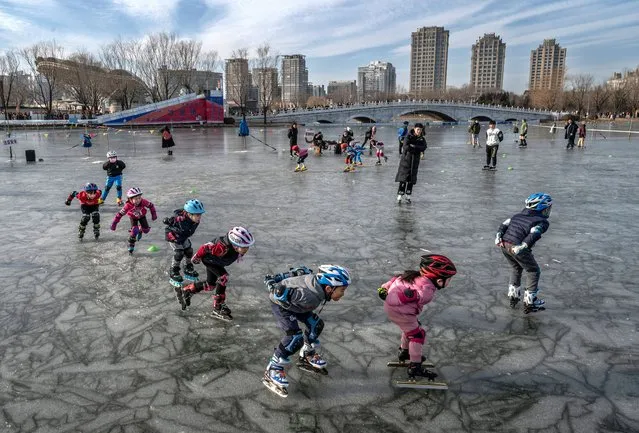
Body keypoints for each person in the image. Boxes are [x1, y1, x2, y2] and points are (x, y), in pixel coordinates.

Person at [262, 265, 351, 394]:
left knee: (316, 325)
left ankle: (306, 354)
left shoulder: (317, 290)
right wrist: (274, 284)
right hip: (282, 306)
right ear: (329, 288)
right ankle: (273, 368)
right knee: (294, 337)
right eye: (342, 290)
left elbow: (301, 272)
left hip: (298, 306)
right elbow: (279, 293)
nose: (343, 293)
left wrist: (283, 276)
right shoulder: (308, 295)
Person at [378, 255, 457, 380]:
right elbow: (403, 297)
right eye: (449, 279)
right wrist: (391, 296)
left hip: (396, 310)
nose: (450, 282)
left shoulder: (414, 276)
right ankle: (415, 366)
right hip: (399, 312)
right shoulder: (427, 290)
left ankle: (404, 352)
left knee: (411, 329)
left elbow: (395, 279)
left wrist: (384, 288)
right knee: (417, 335)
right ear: (439, 280)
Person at [495, 193, 552, 314]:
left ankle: (513, 295)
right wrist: (523, 246)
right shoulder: (541, 221)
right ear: (542, 209)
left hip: (504, 244)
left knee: (516, 268)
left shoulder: (517, 216)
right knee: (533, 270)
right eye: (548, 208)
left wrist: (498, 236)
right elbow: (534, 233)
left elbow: (504, 224)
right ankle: (530, 302)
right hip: (518, 246)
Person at [182, 226, 255, 320]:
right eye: (244, 247)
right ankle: (218, 307)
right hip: (210, 261)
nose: (246, 249)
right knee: (223, 277)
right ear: (235, 244)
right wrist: (197, 257)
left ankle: (188, 290)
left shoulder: (235, 248)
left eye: (247, 247)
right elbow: (206, 247)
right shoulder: (222, 247)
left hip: (217, 262)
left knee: (210, 285)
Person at [164, 199, 206, 309]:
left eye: (200, 215)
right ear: (189, 214)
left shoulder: (194, 220)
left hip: (183, 237)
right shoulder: (180, 219)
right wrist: (168, 220)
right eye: (197, 215)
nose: (199, 217)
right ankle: (174, 270)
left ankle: (187, 266)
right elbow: (174, 218)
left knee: (189, 251)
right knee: (179, 253)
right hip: (174, 236)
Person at [110, 187, 157, 254]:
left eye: (139, 198)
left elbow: (151, 206)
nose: (138, 200)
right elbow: (119, 214)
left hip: (142, 216)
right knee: (134, 230)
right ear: (130, 199)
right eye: (136, 199)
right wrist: (114, 223)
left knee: (146, 230)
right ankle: (131, 244)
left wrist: (154, 214)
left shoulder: (143, 201)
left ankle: (140, 229)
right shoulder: (127, 205)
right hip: (133, 217)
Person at [395, 122, 427, 203]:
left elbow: (424, 147)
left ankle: (408, 196)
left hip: (415, 162)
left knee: (411, 180)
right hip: (406, 161)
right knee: (403, 179)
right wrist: (415, 149)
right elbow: (405, 146)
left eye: (420, 130)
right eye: (418, 129)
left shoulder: (422, 139)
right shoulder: (408, 136)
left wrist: (414, 146)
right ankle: (399, 196)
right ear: (414, 129)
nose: (419, 131)